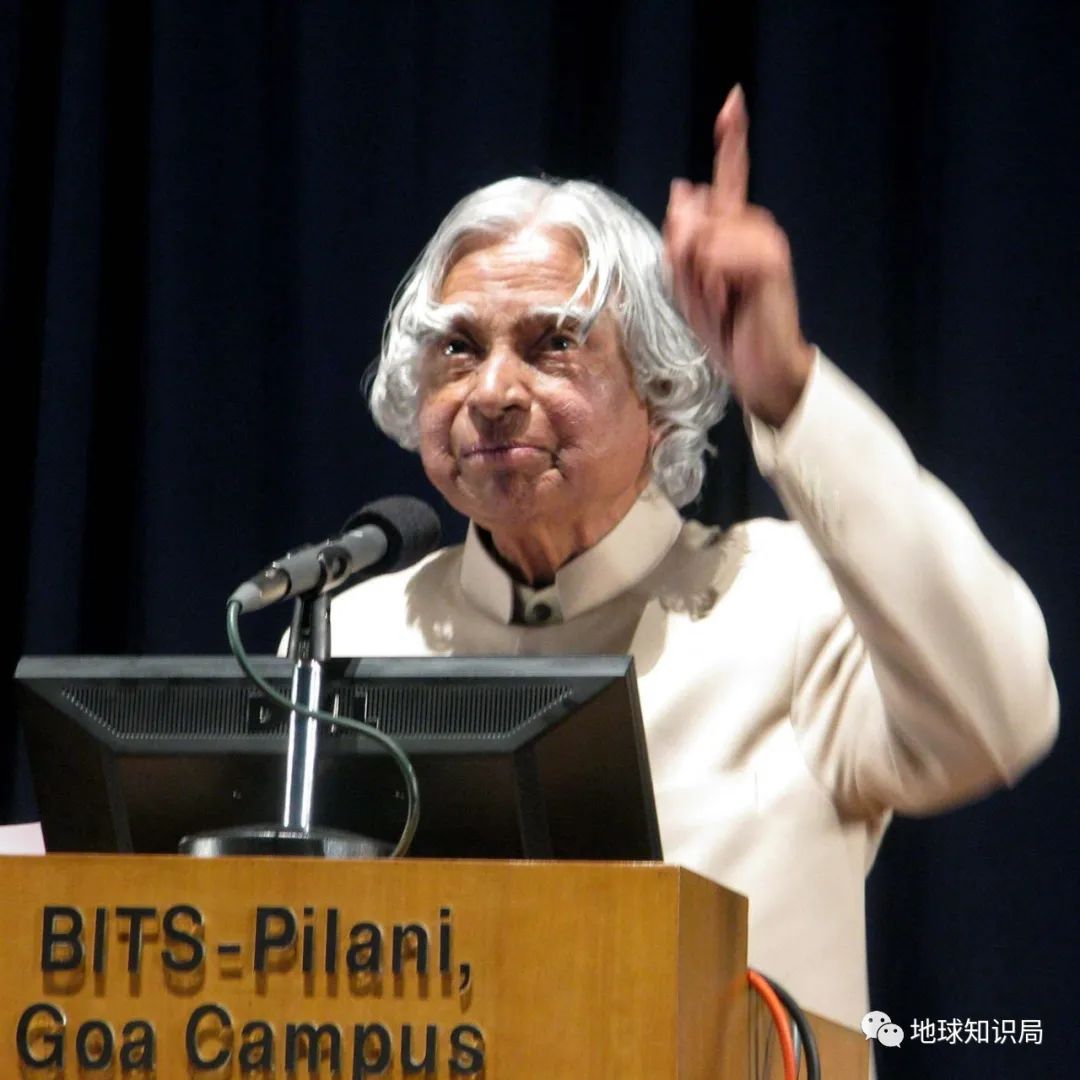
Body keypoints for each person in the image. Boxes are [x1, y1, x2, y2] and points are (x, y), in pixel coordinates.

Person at [331, 87, 1058, 1027]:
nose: (494, 390)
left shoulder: (788, 602)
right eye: (459, 349)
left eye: (554, 343)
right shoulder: (353, 632)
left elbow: (1001, 716)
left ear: (661, 391)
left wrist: (787, 384)